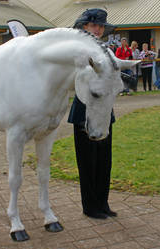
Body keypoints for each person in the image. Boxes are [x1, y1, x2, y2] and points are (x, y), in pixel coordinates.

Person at [68, 8, 117, 220]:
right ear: (84, 26)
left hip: (105, 110)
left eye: (100, 25)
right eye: (94, 25)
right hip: (85, 110)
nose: (98, 29)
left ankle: (102, 203)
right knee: (88, 162)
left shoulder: (106, 49)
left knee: (105, 160)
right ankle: (90, 206)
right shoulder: (77, 49)